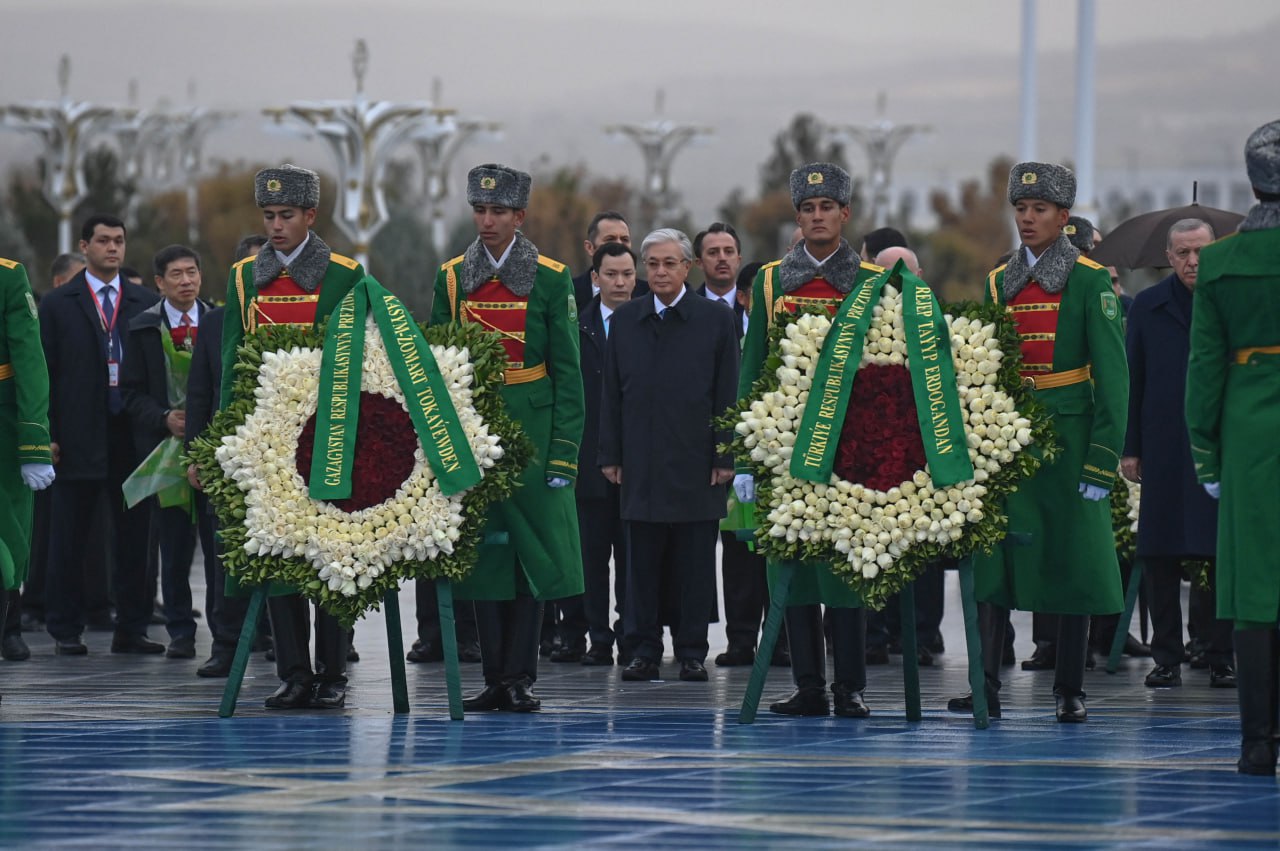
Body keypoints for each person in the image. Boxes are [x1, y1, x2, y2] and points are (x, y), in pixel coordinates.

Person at [951, 162, 1128, 723]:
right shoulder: (996, 280)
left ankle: (1069, 688)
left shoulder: (1091, 279)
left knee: (1072, 561)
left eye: (1040, 210)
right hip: (1006, 440)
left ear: (1063, 216)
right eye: (1021, 209)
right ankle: (985, 683)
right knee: (993, 559)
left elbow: (1114, 379)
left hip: (1070, 440)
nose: (1027, 219)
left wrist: (1102, 461)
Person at [431, 163, 584, 712]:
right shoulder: (451, 277)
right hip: (473, 432)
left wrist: (564, 451)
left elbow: (568, 372)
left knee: (531, 558)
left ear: (519, 216)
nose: (487, 220)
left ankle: (521, 675)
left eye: (498, 211)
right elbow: (436, 365)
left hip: (537, 435)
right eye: (480, 209)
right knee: (484, 555)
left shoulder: (550, 276)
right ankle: (494, 676)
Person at [736, 163, 883, 718]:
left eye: (827, 208)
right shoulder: (772, 281)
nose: (817, 217)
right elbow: (752, 370)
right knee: (792, 561)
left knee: (847, 565)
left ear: (845, 214)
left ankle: (850, 685)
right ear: (796, 218)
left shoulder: (872, 281)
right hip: (786, 444)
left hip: (853, 447)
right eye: (807, 209)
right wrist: (745, 453)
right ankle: (807, 683)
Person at [221, 165, 364, 709]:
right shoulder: (241, 279)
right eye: (269, 216)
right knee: (279, 553)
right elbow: (234, 364)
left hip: (328, 436)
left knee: (330, 557)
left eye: (286, 216)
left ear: (310, 216)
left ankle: (333, 670)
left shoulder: (346, 275)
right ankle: (294, 672)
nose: (276, 226)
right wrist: (228, 436)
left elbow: (362, 360)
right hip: (268, 439)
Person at [599, 228, 739, 684]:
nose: (659, 272)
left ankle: (692, 649)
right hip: (640, 461)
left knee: (695, 561)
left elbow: (727, 394)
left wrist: (725, 455)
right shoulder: (625, 321)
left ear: (687, 267)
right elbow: (612, 396)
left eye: (669, 263)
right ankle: (642, 649)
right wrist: (611, 454)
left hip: (696, 460)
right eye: (652, 264)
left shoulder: (714, 320)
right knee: (640, 562)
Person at [1185, 118, 1280, 776]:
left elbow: (1204, 372)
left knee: (1255, 589)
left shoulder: (1218, 265)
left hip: (1249, 432)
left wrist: (1207, 454)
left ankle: (1256, 742)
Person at [39, 214, 162, 655]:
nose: (113, 248)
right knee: (69, 536)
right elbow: (44, 373)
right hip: (76, 434)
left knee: (135, 539)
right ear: (84, 246)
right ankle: (65, 629)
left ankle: (132, 627)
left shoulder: (145, 303)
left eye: (119, 241)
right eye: (104, 241)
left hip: (131, 435)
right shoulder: (58, 305)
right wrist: (47, 433)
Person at [1122, 219, 1234, 690]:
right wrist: (1131, 448)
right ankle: (1165, 656)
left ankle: (1219, 653)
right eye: (1183, 252)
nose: (1193, 261)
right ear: (1168, 257)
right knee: (1160, 553)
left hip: (1218, 445)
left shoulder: (1229, 301)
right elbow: (1135, 379)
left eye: (1201, 251)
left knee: (1217, 553)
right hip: (1163, 445)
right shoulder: (1148, 306)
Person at [121, 245, 212, 660]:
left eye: (192, 272)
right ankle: (180, 630)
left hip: (216, 451)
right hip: (165, 453)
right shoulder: (142, 328)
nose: (186, 281)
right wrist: (164, 417)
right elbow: (130, 393)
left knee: (219, 549)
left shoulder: (218, 321)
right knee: (173, 548)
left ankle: (228, 632)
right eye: (176, 274)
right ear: (159, 282)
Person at [550, 241, 638, 666]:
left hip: (639, 467)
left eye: (627, 275)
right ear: (595, 278)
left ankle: (632, 636)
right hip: (587, 463)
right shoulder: (576, 327)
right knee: (589, 559)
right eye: (611, 275)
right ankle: (594, 637)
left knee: (634, 562)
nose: (619, 283)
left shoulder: (648, 325)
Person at [182, 234, 266, 678]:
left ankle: (280, 639)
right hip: (226, 456)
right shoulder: (215, 323)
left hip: (280, 455)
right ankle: (226, 643)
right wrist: (195, 456)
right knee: (222, 555)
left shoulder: (289, 314)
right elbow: (200, 394)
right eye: (249, 269)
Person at [0, 257, 54, 693]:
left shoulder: (7, 275)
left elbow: (29, 361)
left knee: (6, 541)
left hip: (0, 430)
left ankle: (8, 626)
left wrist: (33, 442)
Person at [571, 211, 649, 310]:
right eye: (610, 239)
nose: (619, 245)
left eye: (624, 239)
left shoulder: (648, 294)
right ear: (589, 247)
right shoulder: (568, 293)